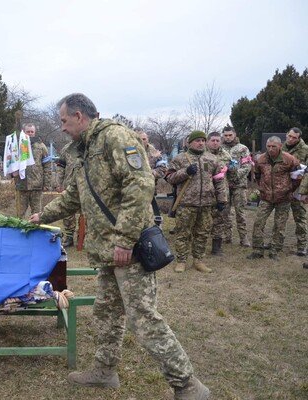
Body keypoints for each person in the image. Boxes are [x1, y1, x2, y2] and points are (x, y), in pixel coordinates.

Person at [30, 94, 209, 399]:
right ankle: (104, 371)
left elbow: (140, 186)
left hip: (129, 248)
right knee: (107, 312)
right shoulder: (85, 150)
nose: (60, 128)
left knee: (143, 318)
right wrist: (41, 216)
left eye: (62, 121)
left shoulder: (115, 137)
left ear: (78, 116)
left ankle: (188, 385)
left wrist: (125, 239)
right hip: (107, 250)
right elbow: (74, 195)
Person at [166, 130, 227, 273]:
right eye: (197, 140)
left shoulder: (212, 159)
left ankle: (198, 260)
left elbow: (219, 181)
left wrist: (221, 199)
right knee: (183, 233)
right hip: (186, 203)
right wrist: (185, 172)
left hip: (206, 204)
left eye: (203, 140)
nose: (201, 143)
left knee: (202, 233)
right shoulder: (180, 159)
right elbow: (169, 178)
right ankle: (181, 260)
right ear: (189, 142)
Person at [247, 136, 300, 260]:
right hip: (266, 198)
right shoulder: (261, 159)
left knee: (279, 226)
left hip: (284, 198)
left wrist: (289, 189)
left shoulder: (289, 159)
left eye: (274, 146)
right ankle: (257, 250)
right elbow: (258, 175)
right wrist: (262, 188)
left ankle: (275, 251)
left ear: (280, 146)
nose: (270, 149)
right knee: (258, 223)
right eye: (268, 146)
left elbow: (297, 177)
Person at [221, 126, 252, 247]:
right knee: (225, 211)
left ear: (234, 135)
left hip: (239, 184)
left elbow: (247, 165)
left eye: (230, 135)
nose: (228, 137)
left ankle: (243, 238)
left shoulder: (242, 148)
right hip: (223, 185)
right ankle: (226, 236)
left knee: (240, 212)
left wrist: (235, 175)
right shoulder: (220, 148)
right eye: (226, 135)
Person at [13, 123, 52, 218]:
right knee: (19, 214)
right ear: (24, 132)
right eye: (28, 132)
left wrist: (47, 184)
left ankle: (35, 231)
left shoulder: (41, 146)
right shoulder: (19, 146)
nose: (30, 134)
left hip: (36, 186)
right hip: (22, 185)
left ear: (34, 133)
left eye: (32, 132)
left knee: (37, 214)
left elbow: (47, 166)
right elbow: (12, 163)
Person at [206, 132, 234, 257]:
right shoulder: (203, 155)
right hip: (204, 192)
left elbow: (231, 175)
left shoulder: (226, 155)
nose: (215, 143)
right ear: (208, 141)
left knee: (219, 219)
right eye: (213, 140)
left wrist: (233, 168)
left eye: (217, 140)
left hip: (221, 191)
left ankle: (216, 248)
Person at [281, 127, 308, 256]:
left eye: (294, 138)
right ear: (286, 135)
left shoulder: (305, 150)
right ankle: (277, 243)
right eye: (289, 136)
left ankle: (302, 246)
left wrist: (304, 191)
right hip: (283, 188)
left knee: (300, 219)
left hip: (298, 189)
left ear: (299, 139)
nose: (291, 139)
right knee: (280, 217)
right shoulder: (280, 148)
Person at [55, 140, 83, 247]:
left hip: (85, 186)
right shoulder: (66, 148)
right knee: (68, 213)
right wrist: (58, 183)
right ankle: (69, 237)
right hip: (69, 185)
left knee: (85, 213)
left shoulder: (89, 146)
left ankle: (82, 236)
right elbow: (61, 167)